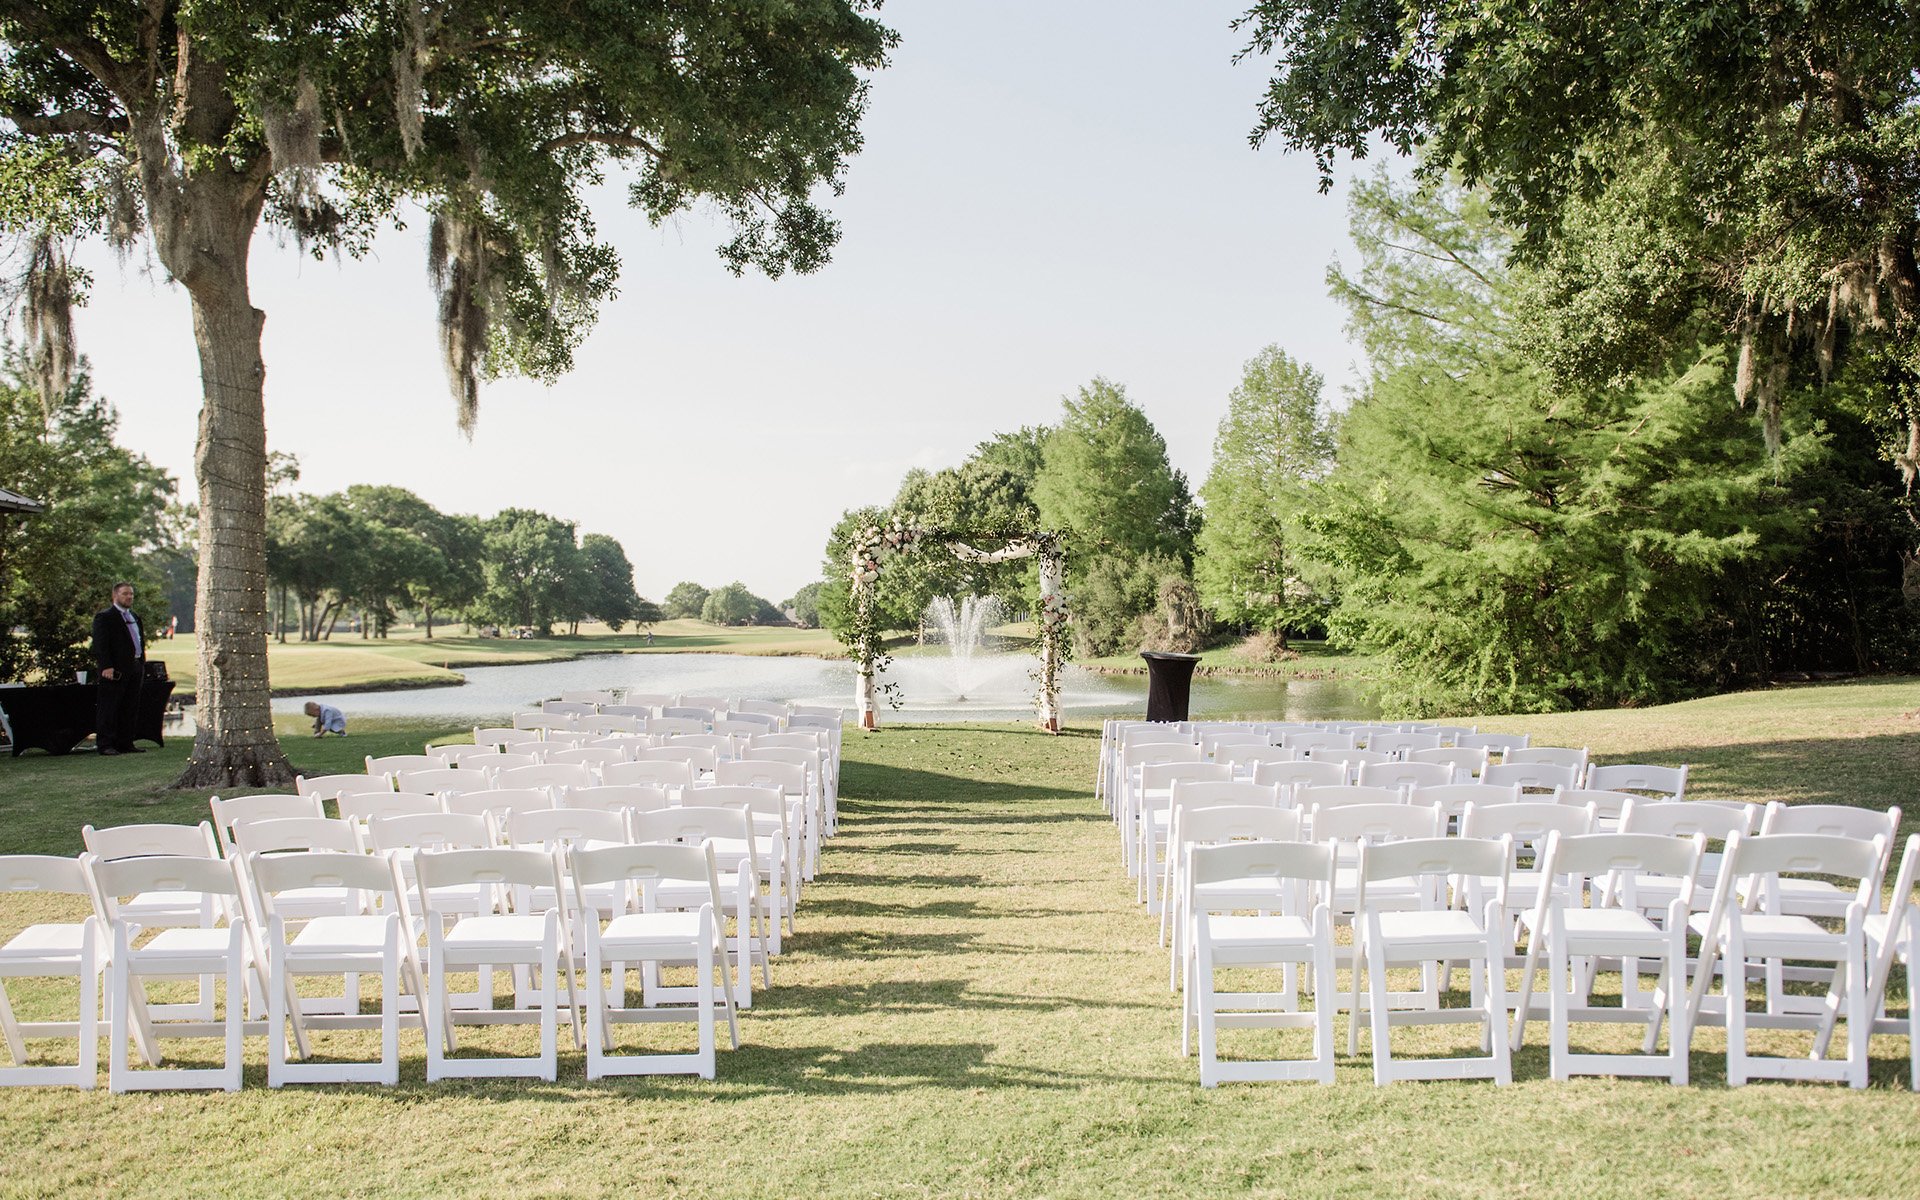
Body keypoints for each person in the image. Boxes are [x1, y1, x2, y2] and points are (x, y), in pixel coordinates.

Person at [89, 581, 145, 756]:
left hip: (135, 666)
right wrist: (106, 666)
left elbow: (139, 640)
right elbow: (100, 644)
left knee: (130, 706)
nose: (129, 597)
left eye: (131, 594)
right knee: (109, 707)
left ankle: (125, 742)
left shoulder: (134, 617)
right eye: (125, 594)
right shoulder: (105, 617)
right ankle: (105, 744)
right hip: (115, 669)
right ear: (115, 596)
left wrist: (141, 663)